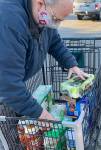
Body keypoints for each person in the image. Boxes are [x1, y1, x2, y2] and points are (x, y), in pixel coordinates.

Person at [0, 0, 88, 149]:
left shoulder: (42, 16)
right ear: (40, 3)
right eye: (56, 18)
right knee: (11, 136)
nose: (56, 24)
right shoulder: (9, 21)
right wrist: (39, 113)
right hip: (4, 85)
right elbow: (7, 84)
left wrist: (71, 64)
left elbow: (53, 40)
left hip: (10, 82)